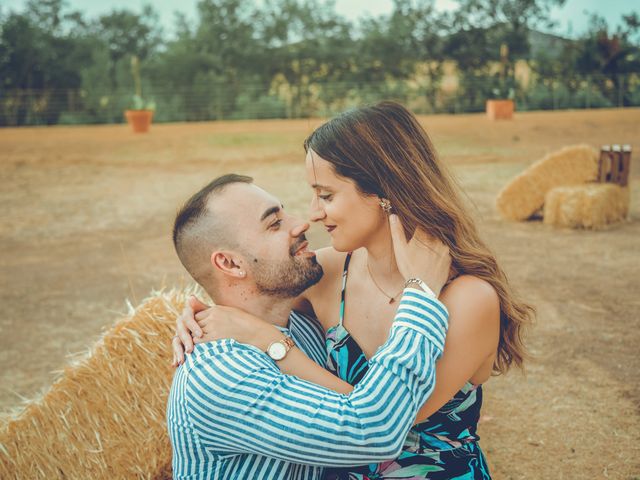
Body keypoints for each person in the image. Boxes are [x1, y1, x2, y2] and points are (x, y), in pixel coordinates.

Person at [174, 102, 533, 479]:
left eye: (326, 195)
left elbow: (387, 421)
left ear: (384, 192)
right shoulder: (329, 273)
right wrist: (192, 316)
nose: (311, 214)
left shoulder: (467, 298)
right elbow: (245, 290)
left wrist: (270, 342)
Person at [167, 173, 453, 479]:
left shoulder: (302, 323)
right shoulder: (219, 375)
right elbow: (373, 430)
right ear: (231, 264)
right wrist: (421, 296)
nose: (301, 223)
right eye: (274, 223)